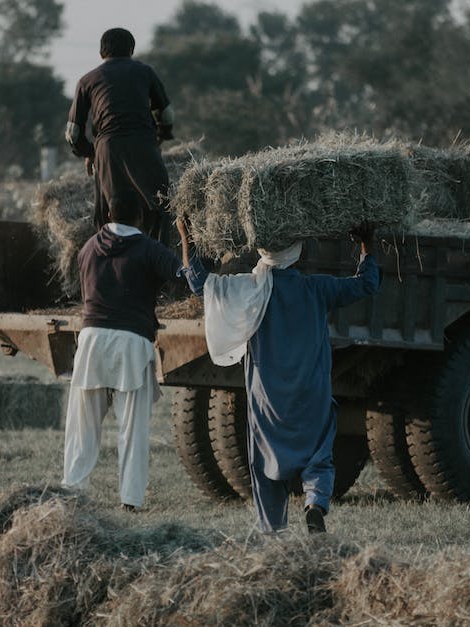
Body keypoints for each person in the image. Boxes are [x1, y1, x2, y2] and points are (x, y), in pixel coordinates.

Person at [177, 218, 381, 533]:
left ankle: (272, 528)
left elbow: (198, 281)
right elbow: (366, 283)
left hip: (266, 395)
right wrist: (366, 244)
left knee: (265, 462)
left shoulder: (249, 290)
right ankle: (315, 502)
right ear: (296, 252)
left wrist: (187, 238)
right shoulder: (316, 288)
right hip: (311, 391)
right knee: (318, 454)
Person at [61, 190, 185, 511]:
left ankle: (73, 492)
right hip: (131, 341)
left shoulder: (87, 248)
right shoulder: (149, 249)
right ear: (141, 218)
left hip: (91, 339)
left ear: (108, 216)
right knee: (133, 427)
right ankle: (130, 500)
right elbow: (184, 277)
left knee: (82, 425)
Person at [65, 27, 175, 242]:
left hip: (108, 148)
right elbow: (167, 114)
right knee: (160, 204)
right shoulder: (145, 72)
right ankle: (157, 261)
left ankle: (111, 261)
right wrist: (160, 136)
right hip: (143, 143)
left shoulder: (87, 81)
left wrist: (90, 152)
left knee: (108, 211)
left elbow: (72, 133)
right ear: (131, 50)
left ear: (101, 52)